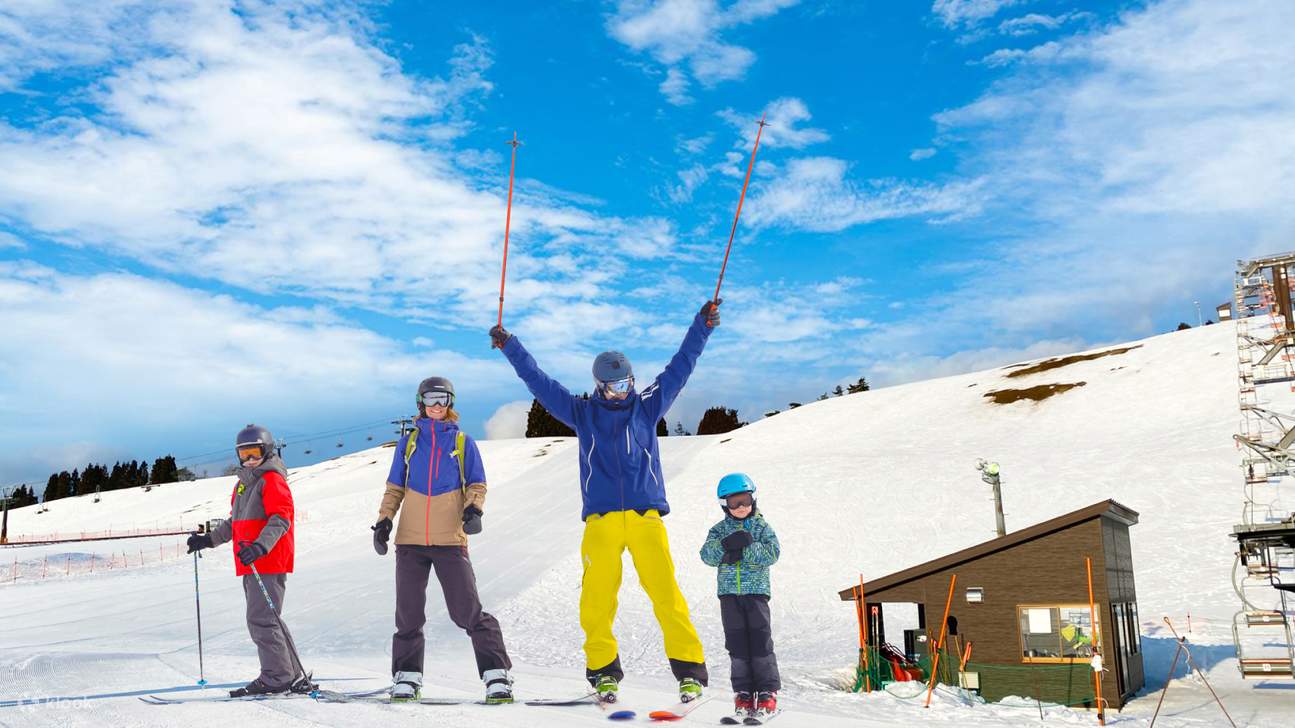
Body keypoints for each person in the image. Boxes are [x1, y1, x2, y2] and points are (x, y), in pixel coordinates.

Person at [489, 299, 721, 704]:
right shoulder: (582, 413)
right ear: (600, 385)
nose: (621, 392)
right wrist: (511, 346)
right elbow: (539, 383)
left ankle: (690, 672)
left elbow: (681, 365)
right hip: (602, 521)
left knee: (666, 594)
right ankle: (603, 673)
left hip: (646, 517)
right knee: (596, 599)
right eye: (614, 386)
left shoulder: (647, 407)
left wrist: (702, 325)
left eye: (627, 384)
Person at [371, 376, 513, 703]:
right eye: (432, 399)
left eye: (443, 399)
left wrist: (473, 510)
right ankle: (407, 677)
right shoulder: (408, 444)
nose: (437, 406)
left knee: (467, 611)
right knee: (408, 614)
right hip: (410, 542)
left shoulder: (463, 442)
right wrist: (383, 521)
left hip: (450, 539)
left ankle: (497, 675)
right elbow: (395, 488)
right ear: (420, 402)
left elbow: (477, 483)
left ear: (450, 403)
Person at [186, 424, 307, 697]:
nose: (250, 459)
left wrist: (260, 547)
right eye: (244, 454)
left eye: (255, 453)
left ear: (267, 451)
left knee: (261, 620)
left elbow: (281, 519)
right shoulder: (244, 484)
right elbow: (235, 522)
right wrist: (208, 540)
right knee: (268, 618)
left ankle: (276, 677)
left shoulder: (272, 480)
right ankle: (288, 672)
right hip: (252, 561)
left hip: (267, 559)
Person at [700, 473, 781, 722]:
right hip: (729, 597)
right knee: (736, 645)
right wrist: (727, 547)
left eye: (745, 500)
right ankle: (743, 695)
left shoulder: (760, 526)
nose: (741, 507)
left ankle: (767, 693)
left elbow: (772, 553)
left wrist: (746, 546)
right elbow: (707, 555)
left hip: (756, 594)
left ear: (753, 498)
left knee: (759, 642)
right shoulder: (719, 530)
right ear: (725, 505)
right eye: (734, 503)